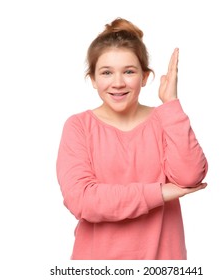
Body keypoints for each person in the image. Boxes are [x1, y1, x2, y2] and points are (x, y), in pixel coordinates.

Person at [56, 18, 208, 260]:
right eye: (106, 73)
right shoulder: (79, 127)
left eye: (129, 71)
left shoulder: (165, 120)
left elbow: (189, 176)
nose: (118, 83)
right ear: (93, 79)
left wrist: (171, 105)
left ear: (145, 77)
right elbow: (83, 200)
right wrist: (161, 192)